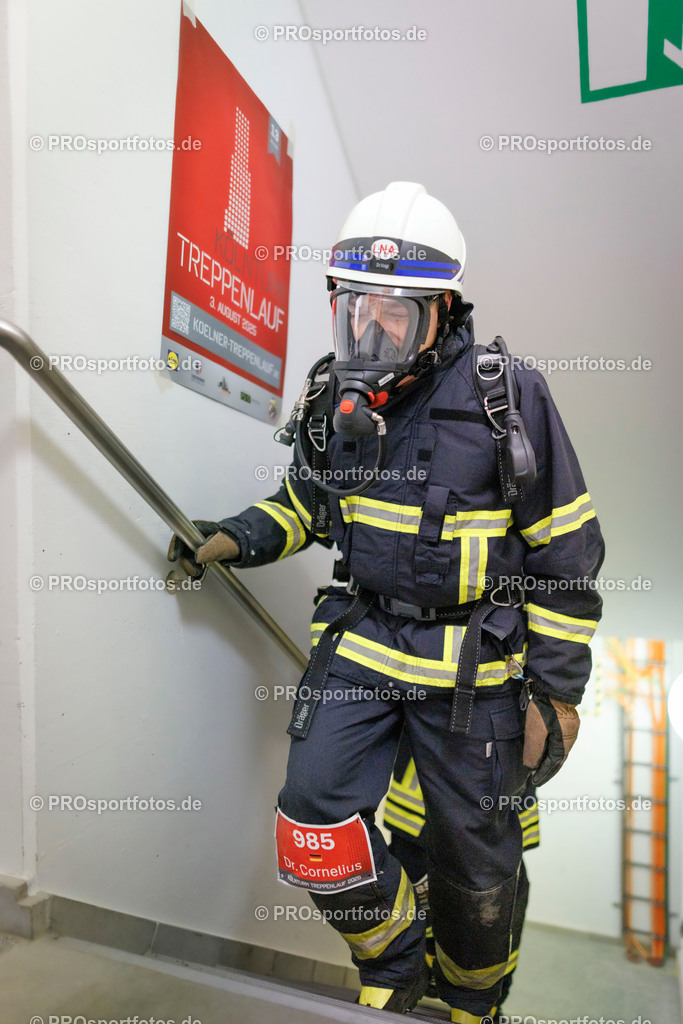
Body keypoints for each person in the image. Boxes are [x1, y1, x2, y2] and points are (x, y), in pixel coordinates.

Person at [168, 182, 605, 1023]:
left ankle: (471, 1005)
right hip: (364, 641)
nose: (369, 332)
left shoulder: (506, 398)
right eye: (352, 310)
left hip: (475, 670)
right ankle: (399, 970)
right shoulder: (333, 393)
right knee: (311, 823)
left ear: (440, 310)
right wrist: (234, 536)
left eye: (393, 315)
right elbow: (305, 503)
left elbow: (567, 553)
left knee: (476, 865)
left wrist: (555, 691)